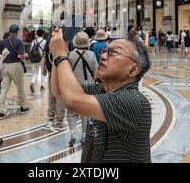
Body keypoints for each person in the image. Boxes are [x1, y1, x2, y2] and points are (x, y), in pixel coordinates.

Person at [49, 28, 152, 162]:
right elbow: (58, 90)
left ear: (133, 69)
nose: (103, 56)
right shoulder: (101, 90)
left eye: (113, 52)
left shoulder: (134, 102)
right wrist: (56, 53)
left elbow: (73, 100)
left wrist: (60, 54)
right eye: (104, 51)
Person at [67, 32, 98, 147]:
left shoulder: (70, 54)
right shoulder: (92, 55)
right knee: (86, 111)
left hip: (74, 87)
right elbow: (96, 73)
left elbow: (68, 72)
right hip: (88, 87)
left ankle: (73, 132)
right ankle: (85, 135)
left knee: (71, 112)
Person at [0, 24, 29, 119]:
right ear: (17, 32)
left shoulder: (3, 41)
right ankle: (23, 107)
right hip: (15, 66)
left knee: (4, 89)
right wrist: (26, 56)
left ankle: (1, 112)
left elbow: (0, 55)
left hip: (5, 66)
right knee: (20, 88)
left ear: (10, 31)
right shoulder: (19, 42)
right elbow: (19, 56)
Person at [42, 28, 67, 127]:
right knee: (60, 94)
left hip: (51, 70)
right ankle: (59, 117)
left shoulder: (48, 40)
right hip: (62, 70)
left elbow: (44, 56)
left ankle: (51, 114)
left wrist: (43, 68)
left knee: (52, 92)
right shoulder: (64, 40)